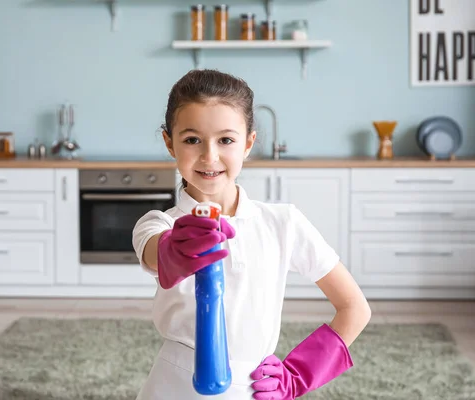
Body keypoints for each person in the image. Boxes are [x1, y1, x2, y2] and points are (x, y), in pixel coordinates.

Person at [132, 69, 371, 400]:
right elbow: (160, 255)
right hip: (173, 387)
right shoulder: (159, 225)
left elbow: (354, 307)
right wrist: (179, 249)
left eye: (226, 140)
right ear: (169, 143)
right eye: (191, 139)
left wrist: (298, 375)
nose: (209, 156)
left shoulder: (284, 223)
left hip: (256, 391)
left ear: (248, 143)